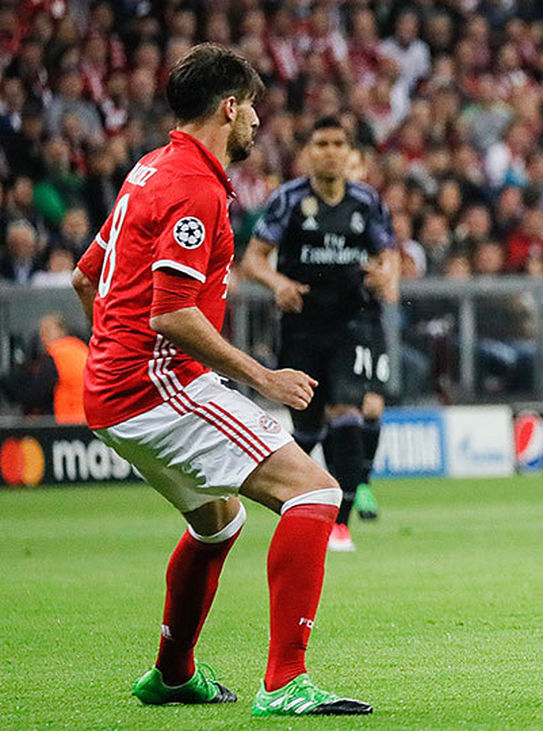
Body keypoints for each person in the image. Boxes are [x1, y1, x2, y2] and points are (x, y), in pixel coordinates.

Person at [71, 44, 370, 715]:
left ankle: (173, 673)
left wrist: (111, 352)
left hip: (114, 390)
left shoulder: (149, 169)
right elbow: (172, 313)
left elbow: (84, 276)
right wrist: (262, 374)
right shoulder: (193, 187)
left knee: (217, 521)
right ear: (228, 107)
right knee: (316, 491)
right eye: (253, 107)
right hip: (157, 383)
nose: (259, 122)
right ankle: (286, 680)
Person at [245, 116, 397, 550]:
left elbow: (388, 254)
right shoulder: (289, 200)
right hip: (303, 324)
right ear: (309, 151)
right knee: (308, 424)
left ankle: (340, 521)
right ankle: (296, 499)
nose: (329, 150)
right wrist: (279, 284)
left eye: (337, 143)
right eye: (321, 143)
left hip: (352, 322)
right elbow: (253, 260)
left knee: (346, 407)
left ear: (349, 152)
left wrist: (385, 277)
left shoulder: (366, 201)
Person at [39, 313, 88, 424]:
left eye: (47, 331)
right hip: (90, 418)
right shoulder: (81, 348)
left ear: (61, 331)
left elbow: (40, 390)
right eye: (41, 333)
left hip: (68, 421)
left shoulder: (57, 352)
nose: (43, 337)